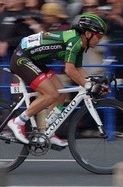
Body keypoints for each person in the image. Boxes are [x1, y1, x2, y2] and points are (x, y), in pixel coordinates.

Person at [7, 13, 108, 146]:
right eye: (99, 36)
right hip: (22, 58)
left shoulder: (81, 43)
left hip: (35, 60)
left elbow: (78, 69)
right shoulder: (75, 41)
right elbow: (69, 70)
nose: (99, 40)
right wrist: (88, 85)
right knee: (51, 94)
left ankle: (48, 132)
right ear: (88, 34)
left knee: (61, 94)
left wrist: (93, 83)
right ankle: (18, 121)